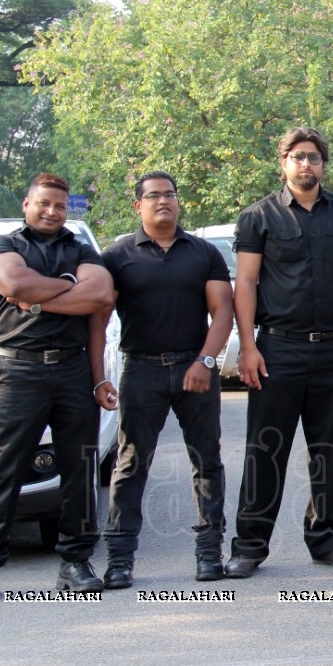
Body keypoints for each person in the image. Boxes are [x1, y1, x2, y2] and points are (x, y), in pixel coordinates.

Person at [224, 127, 333, 577]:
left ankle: (326, 538)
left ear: (323, 164)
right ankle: (250, 545)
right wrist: (248, 346)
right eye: (297, 157)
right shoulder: (258, 217)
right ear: (283, 162)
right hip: (277, 350)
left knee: (331, 451)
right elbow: (245, 283)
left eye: (313, 157)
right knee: (265, 450)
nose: (306, 164)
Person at [0, 174, 114, 604]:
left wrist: (39, 299)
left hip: (71, 371)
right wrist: (70, 290)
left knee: (80, 470)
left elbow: (100, 294)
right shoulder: (2, 246)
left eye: (60, 206)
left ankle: (75, 562)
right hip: (18, 370)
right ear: (27, 203)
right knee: (4, 471)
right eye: (43, 203)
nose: (51, 212)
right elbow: (13, 284)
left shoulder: (80, 249)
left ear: (68, 210)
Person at [95, 172, 234, 587]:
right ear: (138, 206)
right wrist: (99, 377)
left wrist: (205, 361)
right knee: (131, 463)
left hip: (195, 367)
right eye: (153, 196)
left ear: (178, 202)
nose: (163, 202)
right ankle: (120, 560)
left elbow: (222, 312)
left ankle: (209, 554)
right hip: (141, 369)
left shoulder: (204, 252)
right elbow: (99, 320)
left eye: (170, 195)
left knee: (207, 461)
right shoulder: (117, 256)